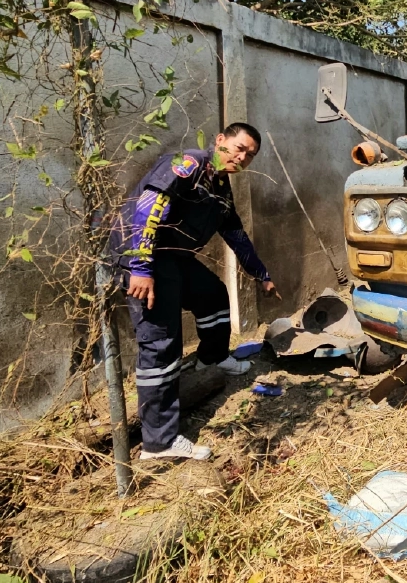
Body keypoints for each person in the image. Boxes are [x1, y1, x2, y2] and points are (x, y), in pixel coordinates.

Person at [111, 122, 280, 460]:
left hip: (175, 258)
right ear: (221, 141)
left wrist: (261, 274)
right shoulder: (188, 164)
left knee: (213, 295)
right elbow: (149, 207)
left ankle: (212, 359)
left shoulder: (221, 187)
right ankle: (159, 443)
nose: (242, 157)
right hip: (145, 256)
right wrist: (140, 268)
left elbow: (236, 236)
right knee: (161, 342)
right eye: (239, 147)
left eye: (250, 155)